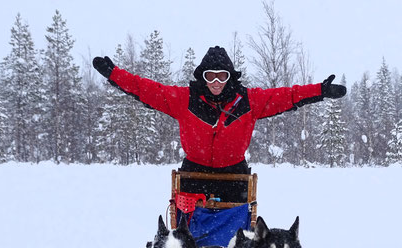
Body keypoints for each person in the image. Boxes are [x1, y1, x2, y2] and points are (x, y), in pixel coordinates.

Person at [93, 46, 346, 201]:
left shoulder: (249, 101)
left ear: (230, 77)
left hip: (233, 174)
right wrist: (115, 75)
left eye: (222, 75)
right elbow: (146, 89)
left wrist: (320, 91)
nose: (216, 81)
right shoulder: (185, 100)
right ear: (202, 77)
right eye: (210, 76)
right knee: (189, 229)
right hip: (194, 172)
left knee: (236, 233)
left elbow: (287, 96)